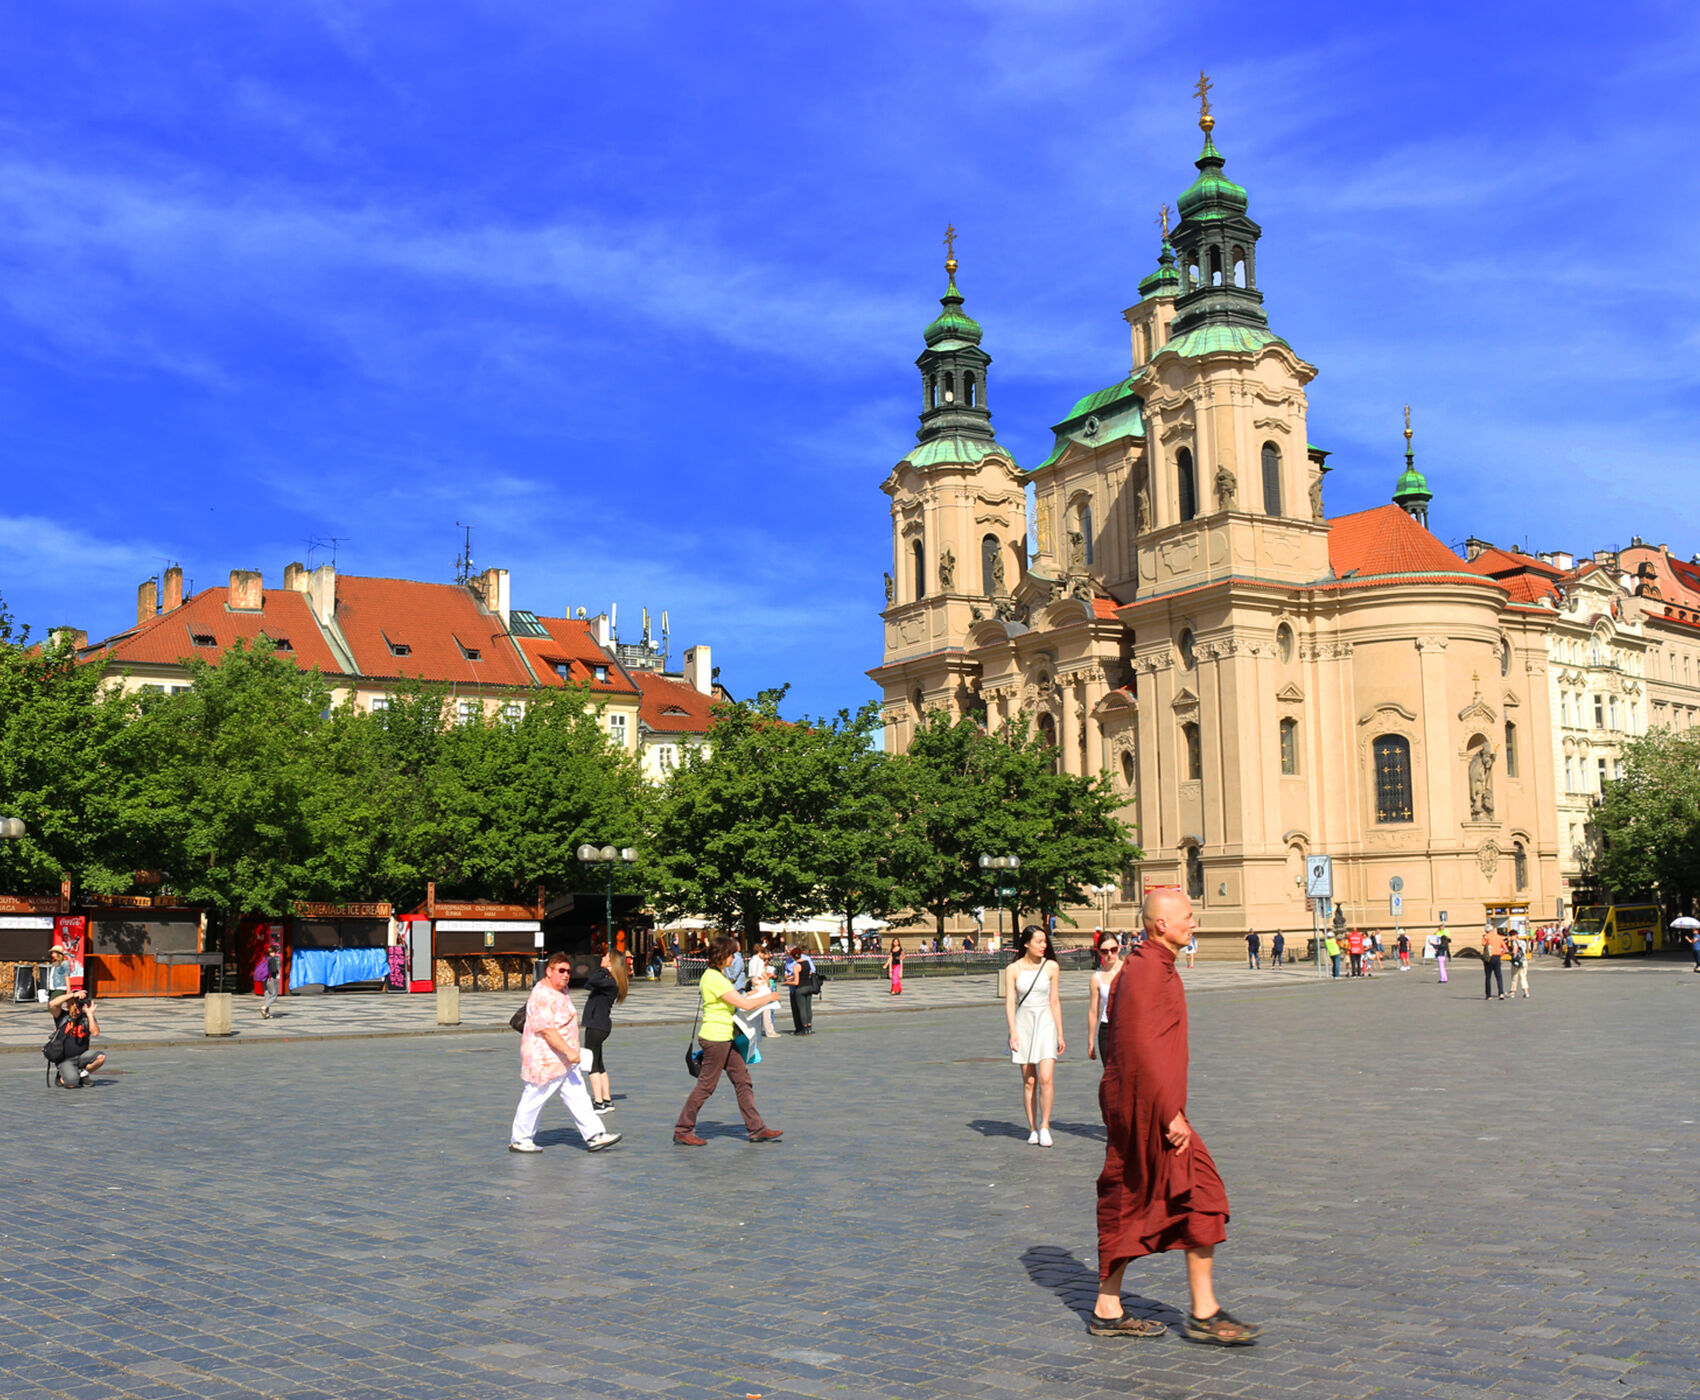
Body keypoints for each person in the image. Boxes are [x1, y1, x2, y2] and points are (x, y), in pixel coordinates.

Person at [1092, 889, 1259, 1345]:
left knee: (1142, 1196)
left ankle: (1113, 1307)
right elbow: (1138, 1046)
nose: (1194, 923)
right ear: (1161, 924)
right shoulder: (1146, 969)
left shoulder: (1154, 965)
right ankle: (1201, 1313)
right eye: (1188, 916)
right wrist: (1169, 1113)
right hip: (1151, 1110)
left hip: (1151, 1106)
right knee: (1195, 1192)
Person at [675, 935, 785, 1146]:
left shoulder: (717, 975)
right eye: (732, 954)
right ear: (722, 955)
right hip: (716, 1038)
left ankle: (757, 1128)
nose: (734, 958)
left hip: (725, 1036)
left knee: (743, 1080)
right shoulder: (714, 978)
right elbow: (744, 1005)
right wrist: (770, 997)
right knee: (706, 1086)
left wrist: (756, 991)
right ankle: (683, 1129)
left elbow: (736, 999)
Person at [508, 952, 621, 1154]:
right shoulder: (542, 996)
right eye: (561, 970)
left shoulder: (561, 990)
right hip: (545, 1060)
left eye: (568, 971)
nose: (566, 975)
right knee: (534, 1097)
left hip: (565, 1060)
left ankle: (594, 1135)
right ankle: (520, 1139)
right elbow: (547, 1030)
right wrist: (569, 1052)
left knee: (578, 1097)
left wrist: (571, 1053)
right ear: (549, 971)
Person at [1006, 925, 1065, 1147]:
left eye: (1044, 941)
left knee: (1046, 1078)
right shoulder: (1013, 969)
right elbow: (1010, 1002)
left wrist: (1060, 1033)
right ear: (1026, 944)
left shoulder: (1051, 966)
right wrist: (1012, 1031)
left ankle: (1045, 1126)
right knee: (1029, 1080)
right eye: (1038, 941)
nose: (1043, 945)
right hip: (1024, 1024)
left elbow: (1055, 1001)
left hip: (1046, 1023)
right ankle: (1032, 1128)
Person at [581, 946, 629, 1113]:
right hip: (600, 1025)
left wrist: (604, 969)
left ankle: (599, 1102)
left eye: (606, 957)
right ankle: (607, 1099)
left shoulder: (610, 982)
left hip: (597, 1025)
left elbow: (593, 980)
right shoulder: (608, 981)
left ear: (611, 962)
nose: (602, 957)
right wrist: (606, 970)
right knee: (599, 1063)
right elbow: (588, 984)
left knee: (592, 1064)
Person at [45, 991, 106, 1089]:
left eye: (78, 1005)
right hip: (65, 1059)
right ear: (68, 1005)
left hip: (82, 1056)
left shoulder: (86, 1018)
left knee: (101, 1057)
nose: (76, 1007)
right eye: (73, 1004)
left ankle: (83, 1073)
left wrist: (90, 1014)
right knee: (72, 1084)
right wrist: (73, 995)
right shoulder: (62, 1016)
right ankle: (62, 1076)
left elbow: (95, 1033)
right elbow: (52, 1004)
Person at [1087, 930, 1123, 1068]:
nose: (1110, 954)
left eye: (1113, 950)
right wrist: (1091, 1040)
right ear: (1099, 952)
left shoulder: (1130, 969)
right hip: (1107, 1029)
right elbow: (1093, 1011)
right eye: (1105, 951)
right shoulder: (1096, 978)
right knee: (1111, 1074)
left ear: (1119, 948)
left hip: (1128, 1028)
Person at [747, 944, 777, 1036]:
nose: (765, 956)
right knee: (766, 1009)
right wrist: (767, 982)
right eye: (764, 954)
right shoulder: (759, 961)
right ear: (760, 952)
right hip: (761, 985)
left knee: (757, 1009)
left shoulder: (752, 960)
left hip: (755, 984)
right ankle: (770, 1031)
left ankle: (757, 1029)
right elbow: (762, 973)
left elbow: (753, 975)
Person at [786, 945, 816, 1035]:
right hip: (809, 986)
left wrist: (787, 982)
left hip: (800, 988)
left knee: (801, 1009)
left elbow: (796, 982)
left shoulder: (796, 966)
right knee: (808, 1008)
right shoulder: (806, 962)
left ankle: (804, 1028)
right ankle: (809, 1027)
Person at [253, 941, 281, 1019]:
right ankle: (263, 1008)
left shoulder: (264, 958)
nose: (275, 953)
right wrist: (277, 972)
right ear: (272, 952)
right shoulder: (272, 959)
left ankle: (266, 1013)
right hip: (270, 979)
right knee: (274, 995)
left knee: (267, 995)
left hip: (264, 979)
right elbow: (274, 970)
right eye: (275, 952)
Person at [1481, 925, 1507, 1000]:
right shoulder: (1499, 937)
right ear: (1493, 930)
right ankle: (1501, 993)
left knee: (1488, 977)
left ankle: (1488, 995)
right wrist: (1500, 954)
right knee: (1499, 976)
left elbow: (1483, 944)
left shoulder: (1486, 936)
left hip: (1489, 957)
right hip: (1497, 957)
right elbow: (1505, 948)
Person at [1508, 930, 1531, 999]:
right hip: (1524, 960)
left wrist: (1509, 952)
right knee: (1523, 977)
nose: (1510, 937)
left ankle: (1512, 992)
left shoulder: (1515, 942)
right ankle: (1526, 992)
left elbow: (1515, 951)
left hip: (1517, 961)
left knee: (1514, 976)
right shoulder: (1523, 941)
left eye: (1510, 935)